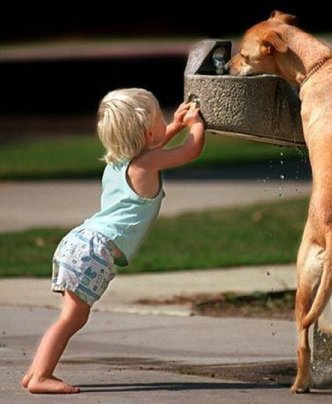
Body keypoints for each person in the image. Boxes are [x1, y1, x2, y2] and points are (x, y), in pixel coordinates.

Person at [21, 88, 205, 394]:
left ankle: (34, 372)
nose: (166, 122)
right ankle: (40, 375)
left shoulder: (120, 162)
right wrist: (197, 124)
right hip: (94, 250)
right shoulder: (145, 165)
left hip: (80, 242)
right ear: (147, 132)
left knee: (72, 316)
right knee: (72, 318)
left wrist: (174, 124)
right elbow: (191, 150)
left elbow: (155, 145)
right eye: (162, 118)